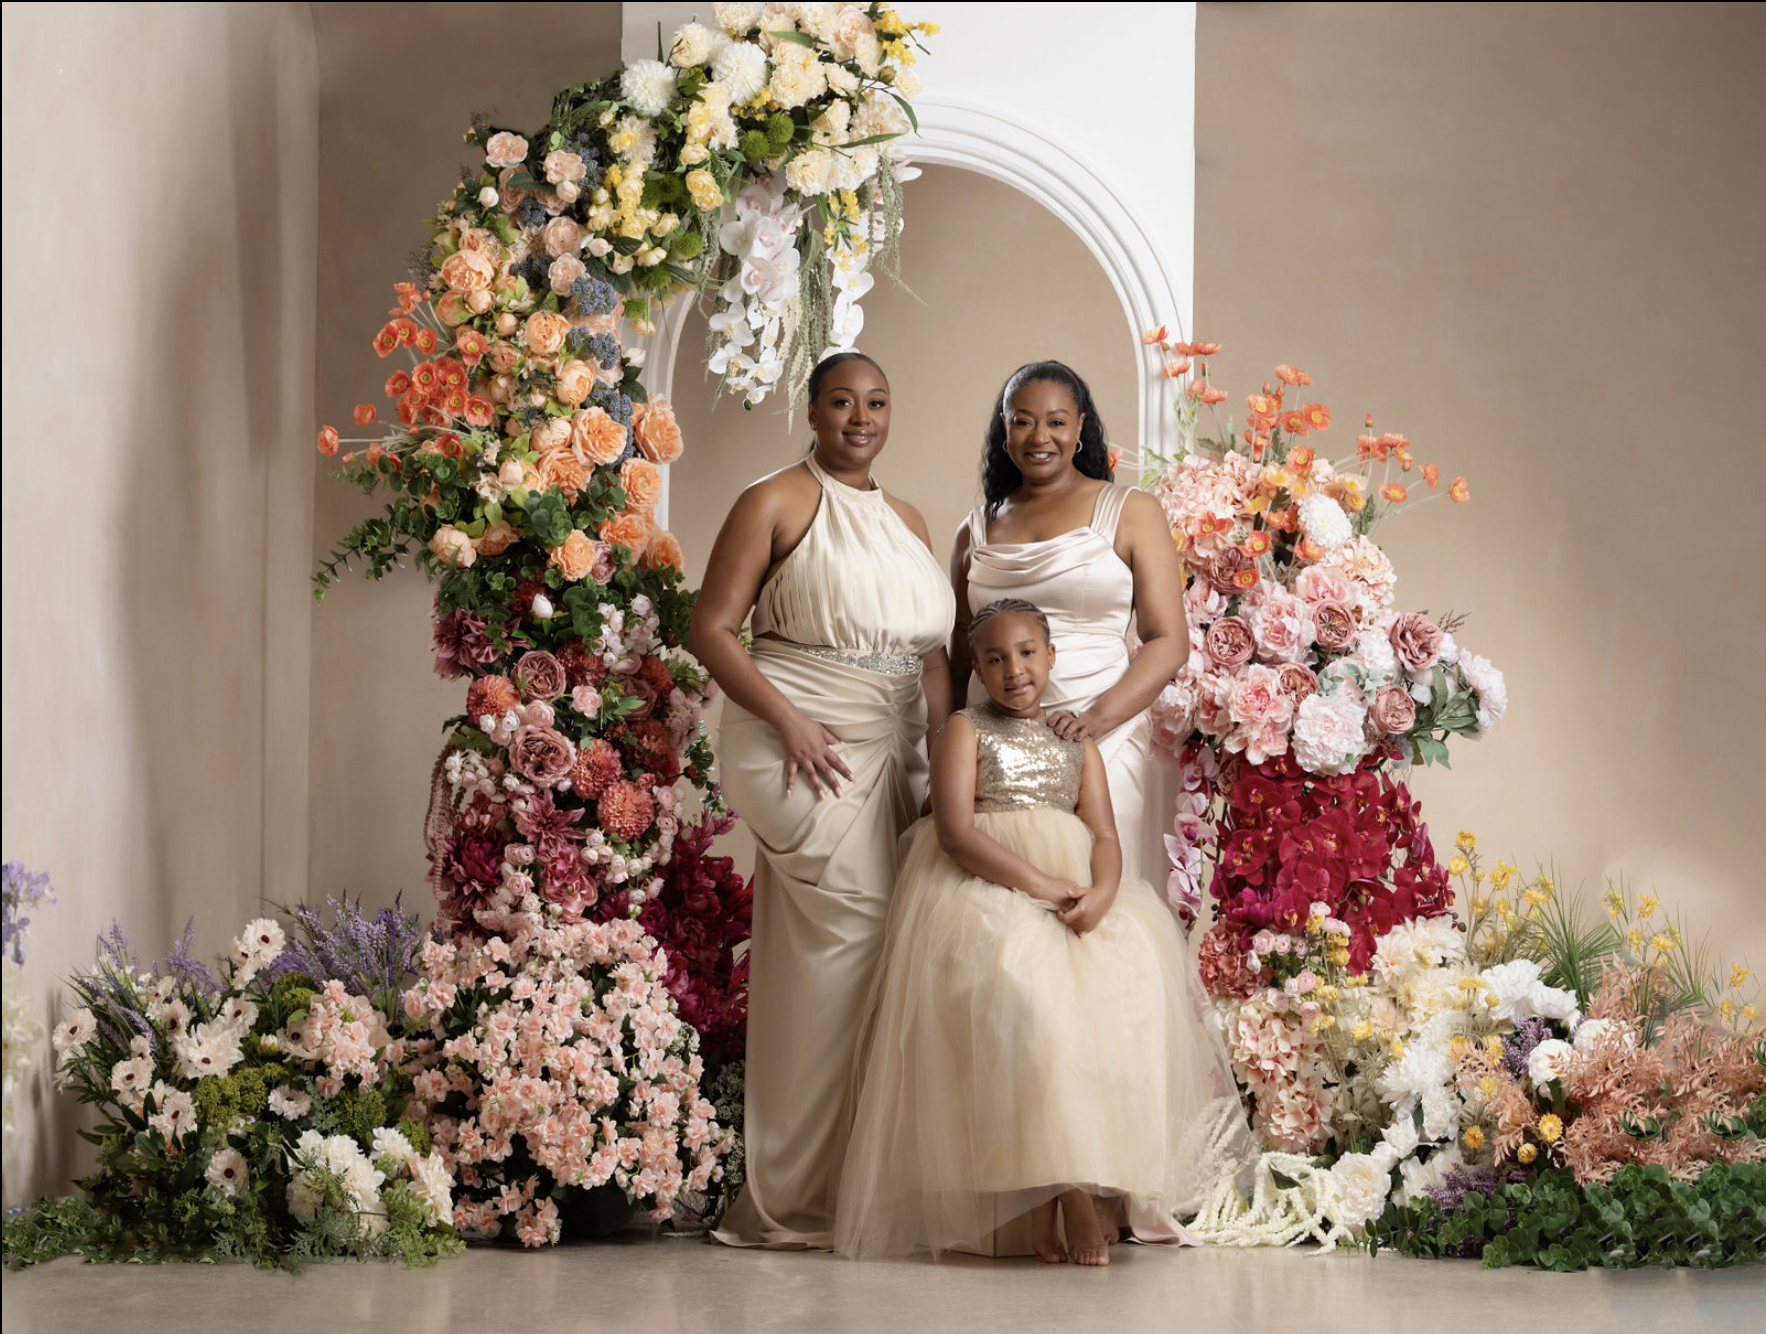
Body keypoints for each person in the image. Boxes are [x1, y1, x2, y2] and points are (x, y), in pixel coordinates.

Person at [835, 599, 1247, 1263]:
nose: (1013, 669)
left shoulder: (1072, 738)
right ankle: (1068, 1192)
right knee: (1031, 1003)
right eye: (994, 658)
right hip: (987, 889)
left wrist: (1104, 892)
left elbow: (1106, 834)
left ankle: (1086, 1185)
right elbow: (955, 832)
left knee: (1129, 991)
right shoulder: (965, 730)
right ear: (979, 670)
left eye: (1027, 652)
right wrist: (1041, 885)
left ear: (1051, 657)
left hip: (1076, 892)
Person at [689, 351, 957, 1250]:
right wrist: (792, 719)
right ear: (812, 410)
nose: (860, 417)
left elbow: (930, 661)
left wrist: (953, 764)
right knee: (843, 958)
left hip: (901, 752)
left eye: (877, 402)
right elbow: (712, 629)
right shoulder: (772, 501)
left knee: (900, 959)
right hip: (802, 746)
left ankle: (867, 1187)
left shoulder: (910, 519)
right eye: (842, 401)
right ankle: (795, 1199)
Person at [950, 361, 1188, 880]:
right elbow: (958, 653)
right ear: (1004, 429)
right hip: (994, 745)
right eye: (1022, 420)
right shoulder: (974, 532)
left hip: (1100, 731)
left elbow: (1169, 641)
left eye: (1056, 422)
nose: (1040, 437)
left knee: (1094, 891)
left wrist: (1095, 721)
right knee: (1000, 910)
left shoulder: (1131, 510)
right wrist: (945, 757)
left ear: (1080, 428)